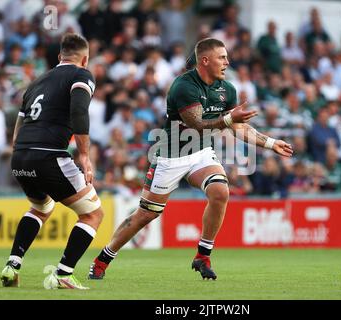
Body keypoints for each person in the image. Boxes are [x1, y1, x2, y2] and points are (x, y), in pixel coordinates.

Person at [88, 38, 293, 281]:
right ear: (205, 60)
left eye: (227, 57)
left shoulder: (226, 89)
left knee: (220, 191)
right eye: (222, 57)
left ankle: (202, 255)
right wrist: (229, 120)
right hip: (170, 157)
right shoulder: (183, 86)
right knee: (145, 215)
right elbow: (196, 124)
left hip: (201, 153)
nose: (227, 62)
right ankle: (102, 259)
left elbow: (238, 128)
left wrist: (270, 143)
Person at [0, 33, 103, 290]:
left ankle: (12, 266)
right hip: (49, 155)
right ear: (85, 58)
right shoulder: (82, 74)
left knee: (41, 208)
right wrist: (84, 157)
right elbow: (79, 111)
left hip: (21, 155)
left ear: (59, 57)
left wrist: (20, 152)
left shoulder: (36, 82)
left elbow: (20, 123)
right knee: (92, 214)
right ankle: (64, 274)